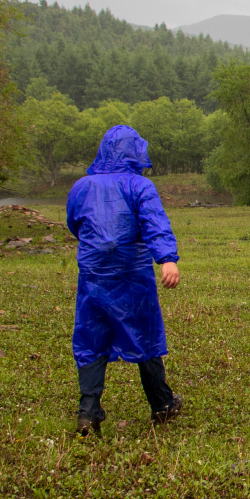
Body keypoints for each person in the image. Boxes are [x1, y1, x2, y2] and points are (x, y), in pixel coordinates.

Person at [67, 125, 183, 436]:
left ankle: (88, 412)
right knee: (145, 335)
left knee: (90, 339)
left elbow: (75, 224)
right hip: (132, 274)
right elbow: (154, 223)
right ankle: (162, 403)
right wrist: (167, 258)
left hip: (93, 275)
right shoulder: (140, 186)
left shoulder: (81, 186)